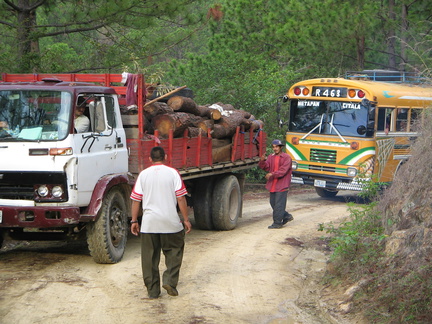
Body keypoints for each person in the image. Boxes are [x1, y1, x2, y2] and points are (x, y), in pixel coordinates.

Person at [130, 146, 192, 299]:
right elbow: (181, 198)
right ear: (165, 157)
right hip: (170, 222)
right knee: (174, 251)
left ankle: (152, 291)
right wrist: (185, 219)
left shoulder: (143, 175)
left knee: (149, 258)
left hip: (149, 224)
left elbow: (136, 200)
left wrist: (133, 221)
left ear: (150, 159)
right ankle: (170, 281)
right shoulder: (173, 173)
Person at [258, 139, 293, 229]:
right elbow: (266, 167)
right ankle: (286, 216)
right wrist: (262, 161)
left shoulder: (287, 158)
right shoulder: (271, 157)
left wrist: (272, 174)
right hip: (273, 184)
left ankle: (277, 223)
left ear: (281, 147)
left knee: (279, 204)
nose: (275, 149)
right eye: (273, 147)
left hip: (282, 184)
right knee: (273, 202)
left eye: (276, 147)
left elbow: (283, 171)